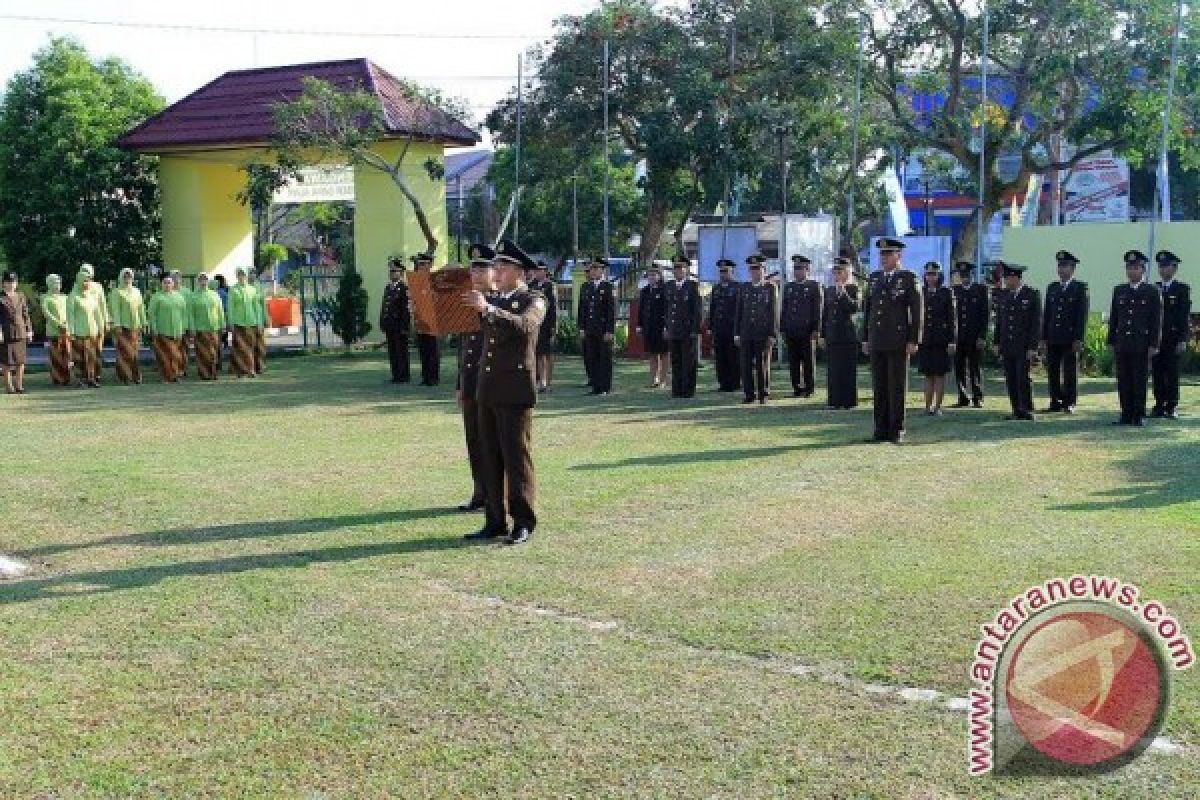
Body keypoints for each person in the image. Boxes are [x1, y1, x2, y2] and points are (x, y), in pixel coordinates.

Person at [462, 238, 547, 546]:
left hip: (513, 391)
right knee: (490, 458)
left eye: (503, 266)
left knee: (516, 459)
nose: (496, 271)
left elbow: (525, 326)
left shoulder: (533, 299)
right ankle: (494, 520)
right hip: (488, 390)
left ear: (519, 272)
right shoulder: (494, 301)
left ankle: (523, 521)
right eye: (495, 265)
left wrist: (488, 309)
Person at [862, 238, 922, 443]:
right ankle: (880, 429)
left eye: (888, 254)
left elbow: (916, 311)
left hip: (898, 340)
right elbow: (868, 310)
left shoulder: (908, 278)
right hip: (877, 338)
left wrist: (914, 339)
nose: (884, 258)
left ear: (899, 256)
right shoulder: (875, 278)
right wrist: (865, 337)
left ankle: (897, 429)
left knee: (896, 386)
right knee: (879, 387)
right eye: (882, 254)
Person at [456, 245, 497, 514]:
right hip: (471, 381)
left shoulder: (500, 302)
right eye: (473, 268)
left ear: (495, 272)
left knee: (491, 441)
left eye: (482, 268)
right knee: (473, 439)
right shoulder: (468, 301)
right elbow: (465, 347)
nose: (476, 273)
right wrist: (459, 385)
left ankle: (495, 496)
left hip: (492, 383)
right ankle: (479, 492)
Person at [1108, 250, 1162, 427]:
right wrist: (1111, 340)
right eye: (1129, 267)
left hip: (1142, 343)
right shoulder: (1119, 290)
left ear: (1143, 269)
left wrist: (1154, 343)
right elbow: (1114, 317)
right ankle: (1126, 413)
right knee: (1123, 380)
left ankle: (1139, 414)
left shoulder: (1152, 291)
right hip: (1122, 342)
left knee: (1139, 380)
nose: (1131, 271)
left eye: (1135, 267)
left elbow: (1156, 320)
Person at [1040, 250, 1089, 414]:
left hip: (1070, 337)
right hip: (1053, 335)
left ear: (1073, 268)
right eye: (1059, 266)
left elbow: (1082, 315)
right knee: (1052, 371)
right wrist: (1044, 337)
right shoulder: (1052, 288)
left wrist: (1078, 338)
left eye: (1065, 266)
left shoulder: (1080, 288)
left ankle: (1070, 401)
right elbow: (1047, 314)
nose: (1061, 269)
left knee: (1070, 372)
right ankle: (1055, 400)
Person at [994, 262, 1042, 421]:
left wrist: (1033, 347)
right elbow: (1000, 322)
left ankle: (1026, 408)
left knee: (1023, 377)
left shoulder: (1031, 294)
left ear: (1016, 277)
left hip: (1024, 345)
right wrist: (996, 342)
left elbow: (1036, 323)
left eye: (1007, 277)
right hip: (1008, 344)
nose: (1006, 281)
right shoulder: (1004, 296)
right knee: (1011, 378)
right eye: (1005, 278)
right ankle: (1016, 409)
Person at [1151, 250, 1190, 419]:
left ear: (1174, 268)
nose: (1162, 269)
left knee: (1172, 374)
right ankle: (1159, 404)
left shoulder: (1182, 289)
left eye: (1166, 266)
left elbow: (1183, 316)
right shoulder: (1154, 288)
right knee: (1158, 373)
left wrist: (1182, 339)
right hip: (1157, 339)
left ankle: (1172, 405)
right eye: (1160, 266)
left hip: (1173, 339)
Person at [735, 254, 778, 405]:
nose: (755, 272)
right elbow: (738, 312)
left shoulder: (770, 287)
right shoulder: (744, 288)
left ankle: (763, 393)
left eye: (758, 269)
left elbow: (773, 312)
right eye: (752, 269)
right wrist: (737, 333)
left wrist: (772, 333)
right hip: (746, 331)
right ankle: (749, 394)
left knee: (762, 364)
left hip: (762, 332)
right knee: (745, 364)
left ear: (764, 270)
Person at [917, 261, 957, 416]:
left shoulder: (946, 292)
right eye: (928, 274)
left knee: (940, 375)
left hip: (941, 340)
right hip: (926, 340)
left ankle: (937, 407)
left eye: (933, 274)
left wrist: (952, 340)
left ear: (939, 275)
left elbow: (952, 319)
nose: (930, 277)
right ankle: (927, 407)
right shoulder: (921, 292)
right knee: (928, 374)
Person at [821, 256, 860, 409]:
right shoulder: (829, 290)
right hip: (833, 335)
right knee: (834, 370)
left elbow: (854, 308)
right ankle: (834, 400)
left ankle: (848, 401)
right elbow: (825, 313)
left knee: (848, 369)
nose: (837, 275)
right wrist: (823, 334)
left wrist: (843, 292)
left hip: (847, 335)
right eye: (835, 272)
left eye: (840, 271)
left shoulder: (854, 288)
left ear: (847, 272)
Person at [781, 255, 822, 397]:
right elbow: (784, 309)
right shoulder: (789, 287)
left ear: (807, 270)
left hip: (807, 331)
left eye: (800, 268)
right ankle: (797, 388)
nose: (797, 271)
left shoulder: (813, 286)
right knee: (793, 361)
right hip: (792, 330)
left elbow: (817, 310)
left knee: (808, 362)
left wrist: (816, 329)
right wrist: (783, 328)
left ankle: (809, 388)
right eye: (795, 268)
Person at [951, 261, 989, 408]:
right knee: (959, 368)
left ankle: (978, 397)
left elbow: (984, 315)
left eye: (966, 275)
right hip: (959, 337)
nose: (964, 278)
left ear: (972, 274)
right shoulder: (955, 290)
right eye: (962, 275)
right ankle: (963, 397)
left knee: (975, 368)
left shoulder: (981, 290)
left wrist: (982, 336)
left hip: (975, 336)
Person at [665, 254, 701, 398]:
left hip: (688, 330)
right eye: (675, 268)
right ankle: (677, 389)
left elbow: (697, 310)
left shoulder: (692, 286)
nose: (677, 271)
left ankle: (688, 390)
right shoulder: (669, 286)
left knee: (689, 362)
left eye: (680, 268)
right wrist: (666, 327)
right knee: (676, 361)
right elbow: (666, 309)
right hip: (674, 329)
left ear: (686, 269)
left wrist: (694, 329)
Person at [577, 256, 615, 395]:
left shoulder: (608, 287)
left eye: (596, 268)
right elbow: (582, 309)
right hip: (589, 328)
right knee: (591, 358)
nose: (592, 271)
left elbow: (611, 311)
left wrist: (610, 330)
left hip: (603, 328)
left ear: (602, 270)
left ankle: (605, 387)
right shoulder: (585, 287)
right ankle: (595, 386)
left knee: (604, 358)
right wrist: (581, 327)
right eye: (591, 269)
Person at [108, 268, 146, 385]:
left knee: (134, 353)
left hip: (135, 327)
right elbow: (115, 309)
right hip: (122, 327)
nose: (127, 279)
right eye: (125, 276)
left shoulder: (136, 291)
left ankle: (135, 376)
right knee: (124, 352)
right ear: (121, 277)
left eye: (129, 276)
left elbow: (141, 308)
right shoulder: (116, 292)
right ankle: (125, 377)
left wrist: (144, 323)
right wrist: (117, 325)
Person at [147, 275, 188, 383]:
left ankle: (175, 375)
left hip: (177, 331)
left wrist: (184, 327)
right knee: (165, 355)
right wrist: (154, 328)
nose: (167, 285)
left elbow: (184, 313)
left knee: (176, 355)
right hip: (162, 331)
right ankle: (166, 377)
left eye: (169, 282)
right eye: (165, 282)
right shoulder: (157, 297)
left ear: (173, 284)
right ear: (161, 284)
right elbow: (152, 314)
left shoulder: (179, 296)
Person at [67, 269, 105, 388]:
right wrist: (71, 332)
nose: (86, 283)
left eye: (88, 281)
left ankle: (91, 378)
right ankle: (81, 380)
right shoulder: (73, 297)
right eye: (84, 281)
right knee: (79, 358)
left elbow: (97, 313)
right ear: (78, 281)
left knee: (92, 356)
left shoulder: (92, 296)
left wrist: (101, 327)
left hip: (92, 332)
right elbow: (70, 316)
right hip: (78, 333)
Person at [708, 258, 741, 392]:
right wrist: (710, 326)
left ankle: (735, 383)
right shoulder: (716, 288)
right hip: (719, 328)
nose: (723, 274)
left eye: (726, 271)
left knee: (733, 357)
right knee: (720, 357)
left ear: (732, 271)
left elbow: (740, 310)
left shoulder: (738, 287)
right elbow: (713, 308)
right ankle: (723, 383)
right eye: (721, 271)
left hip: (732, 328)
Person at [634, 263, 668, 388]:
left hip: (661, 327)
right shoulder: (645, 291)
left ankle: (663, 380)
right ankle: (654, 379)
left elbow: (667, 309)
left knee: (664, 353)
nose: (651, 277)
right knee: (652, 354)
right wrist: (639, 325)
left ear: (659, 276)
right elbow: (641, 310)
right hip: (649, 327)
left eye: (654, 274)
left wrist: (666, 326)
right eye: (649, 275)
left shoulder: (665, 289)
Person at [380, 257, 411, 384]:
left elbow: (405, 310)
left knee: (401, 351)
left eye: (395, 271)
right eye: (391, 271)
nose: (392, 273)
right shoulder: (388, 288)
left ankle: (404, 376)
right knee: (392, 351)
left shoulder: (404, 288)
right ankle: (396, 375)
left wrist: (405, 326)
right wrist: (382, 321)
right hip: (390, 325)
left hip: (399, 325)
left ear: (401, 273)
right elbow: (385, 306)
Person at [0, 271, 33, 394]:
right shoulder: (1, 298)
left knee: (20, 361)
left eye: (13, 282)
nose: (11, 284)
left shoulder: (21, 296)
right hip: (5, 333)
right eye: (8, 282)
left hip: (21, 332)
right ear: (3, 283)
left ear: (16, 283)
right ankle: (9, 387)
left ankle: (19, 386)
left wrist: (29, 330)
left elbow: (25, 314)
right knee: (6, 362)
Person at [190, 272, 226, 380]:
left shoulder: (214, 294)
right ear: (198, 281)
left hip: (214, 328)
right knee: (202, 352)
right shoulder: (193, 296)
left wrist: (223, 325)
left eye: (205, 279)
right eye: (201, 279)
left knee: (213, 351)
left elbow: (220, 310)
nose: (203, 281)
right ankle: (204, 374)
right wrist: (192, 328)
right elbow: (190, 314)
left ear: (208, 281)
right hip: (200, 329)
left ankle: (213, 373)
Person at [412, 253, 441, 386]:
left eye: (424, 264)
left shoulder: (435, 281)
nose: (421, 267)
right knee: (423, 349)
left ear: (430, 265)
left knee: (432, 349)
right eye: (420, 264)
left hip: (433, 320)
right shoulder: (417, 281)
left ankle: (433, 377)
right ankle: (425, 376)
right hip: (420, 319)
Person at [78, 263, 110, 384]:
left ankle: (97, 375)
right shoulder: (78, 286)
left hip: (98, 323)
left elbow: (103, 304)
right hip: (84, 325)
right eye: (84, 271)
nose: (87, 273)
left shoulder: (98, 287)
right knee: (85, 351)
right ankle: (86, 376)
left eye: (88, 271)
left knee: (97, 351)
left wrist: (106, 321)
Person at [228, 267, 261, 378]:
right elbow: (230, 307)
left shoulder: (252, 289)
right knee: (240, 348)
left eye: (243, 274)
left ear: (246, 276)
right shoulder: (233, 290)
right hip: (238, 323)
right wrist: (231, 322)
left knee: (250, 347)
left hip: (251, 322)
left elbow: (256, 307)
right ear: (237, 276)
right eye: (239, 274)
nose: (241, 276)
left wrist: (259, 321)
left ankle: (251, 369)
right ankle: (241, 371)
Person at [531, 260, 558, 393]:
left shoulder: (550, 286)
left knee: (547, 354)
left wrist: (553, 325)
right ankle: (539, 381)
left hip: (547, 324)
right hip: (535, 324)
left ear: (545, 272)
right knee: (537, 353)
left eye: (540, 270)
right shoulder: (531, 285)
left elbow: (553, 307)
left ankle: (547, 381)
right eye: (536, 270)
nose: (537, 273)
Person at [41, 274, 72, 387]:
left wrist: (67, 324)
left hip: (67, 331)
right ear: (48, 283)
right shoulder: (45, 297)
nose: (57, 284)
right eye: (54, 282)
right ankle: (57, 379)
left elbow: (70, 312)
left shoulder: (65, 297)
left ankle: (66, 378)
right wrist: (59, 325)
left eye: (59, 282)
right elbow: (46, 313)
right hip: (54, 332)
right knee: (55, 357)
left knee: (67, 355)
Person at [169, 270, 193, 378]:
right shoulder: (167, 291)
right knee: (173, 349)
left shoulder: (187, 292)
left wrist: (191, 325)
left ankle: (183, 369)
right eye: (174, 277)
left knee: (184, 348)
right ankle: (174, 369)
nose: (176, 279)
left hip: (185, 324)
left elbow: (191, 309)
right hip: (171, 326)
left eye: (178, 276)